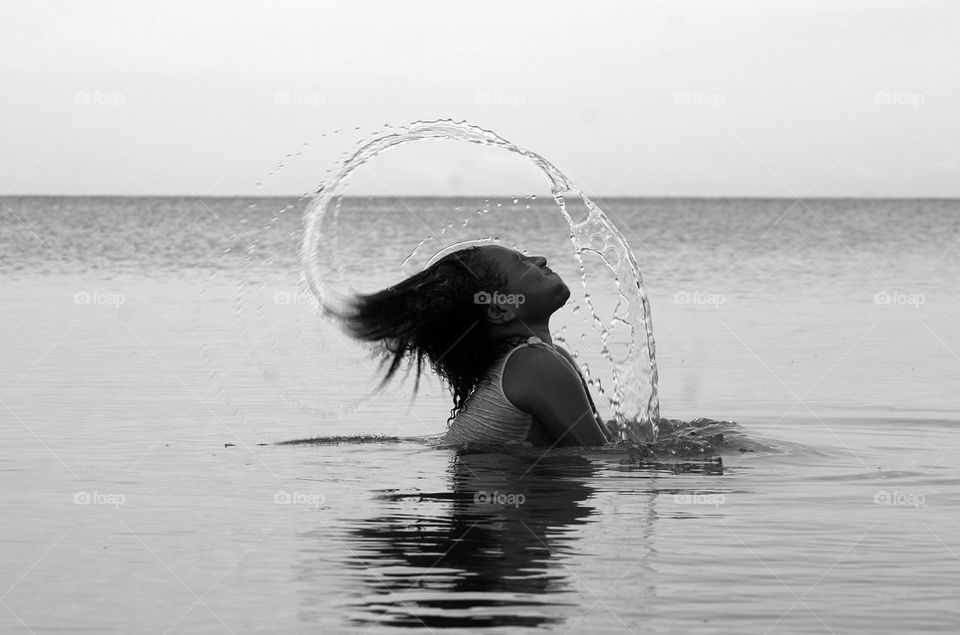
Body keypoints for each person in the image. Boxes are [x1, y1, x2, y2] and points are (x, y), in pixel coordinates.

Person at [329, 244, 613, 447]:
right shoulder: (535, 364)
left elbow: (605, 443)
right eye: (522, 262)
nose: (540, 258)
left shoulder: (544, 358)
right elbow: (597, 458)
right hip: (502, 526)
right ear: (501, 310)